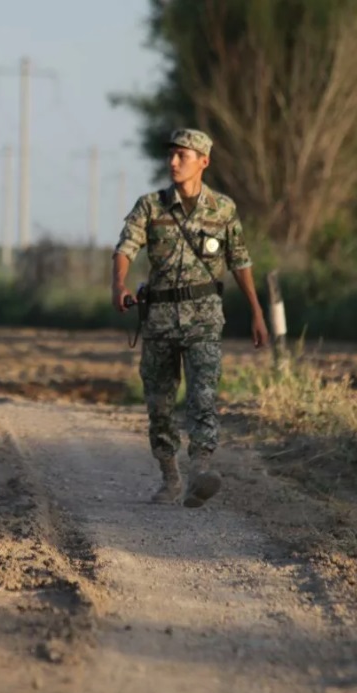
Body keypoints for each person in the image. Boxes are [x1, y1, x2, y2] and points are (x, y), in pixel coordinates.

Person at [111, 128, 268, 508]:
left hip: (205, 319)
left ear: (203, 161)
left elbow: (240, 262)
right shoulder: (150, 206)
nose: (174, 162)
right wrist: (119, 284)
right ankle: (170, 479)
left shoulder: (224, 209)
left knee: (203, 397)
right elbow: (126, 247)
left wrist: (257, 312)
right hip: (160, 320)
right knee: (160, 404)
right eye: (171, 155)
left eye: (183, 155)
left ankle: (201, 471)